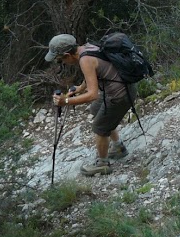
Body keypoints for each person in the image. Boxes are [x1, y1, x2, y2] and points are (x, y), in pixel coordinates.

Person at [46, 34, 136, 176]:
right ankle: (118, 148)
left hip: (120, 95)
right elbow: (93, 74)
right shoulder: (87, 48)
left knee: (99, 127)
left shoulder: (85, 60)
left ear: (67, 55)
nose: (61, 63)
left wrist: (65, 101)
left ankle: (102, 164)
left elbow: (92, 95)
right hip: (122, 88)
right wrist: (80, 89)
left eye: (60, 60)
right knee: (95, 108)